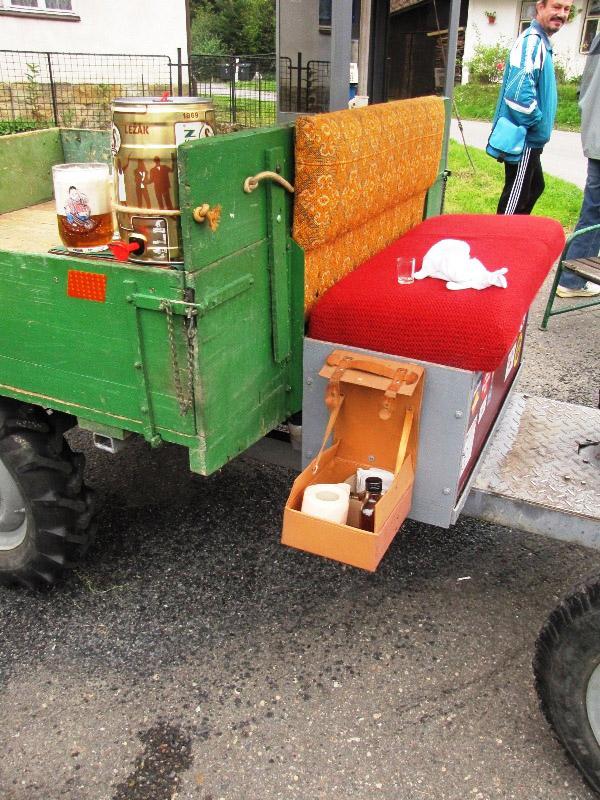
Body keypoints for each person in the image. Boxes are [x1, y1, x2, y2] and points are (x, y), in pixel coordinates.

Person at [487, 0, 572, 215]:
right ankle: (501, 236)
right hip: (524, 138)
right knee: (515, 202)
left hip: (531, 138)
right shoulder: (532, 43)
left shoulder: (542, 43)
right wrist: (537, 122)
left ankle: (515, 233)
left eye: (567, 9)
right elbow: (518, 95)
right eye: (556, 7)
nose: (562, 14)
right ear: (540, 7)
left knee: (534, 187)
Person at [556, 32, 600, 298]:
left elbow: (585, 88)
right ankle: (572, 280)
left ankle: (571, 280)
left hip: (596, 135)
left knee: (592, 211)